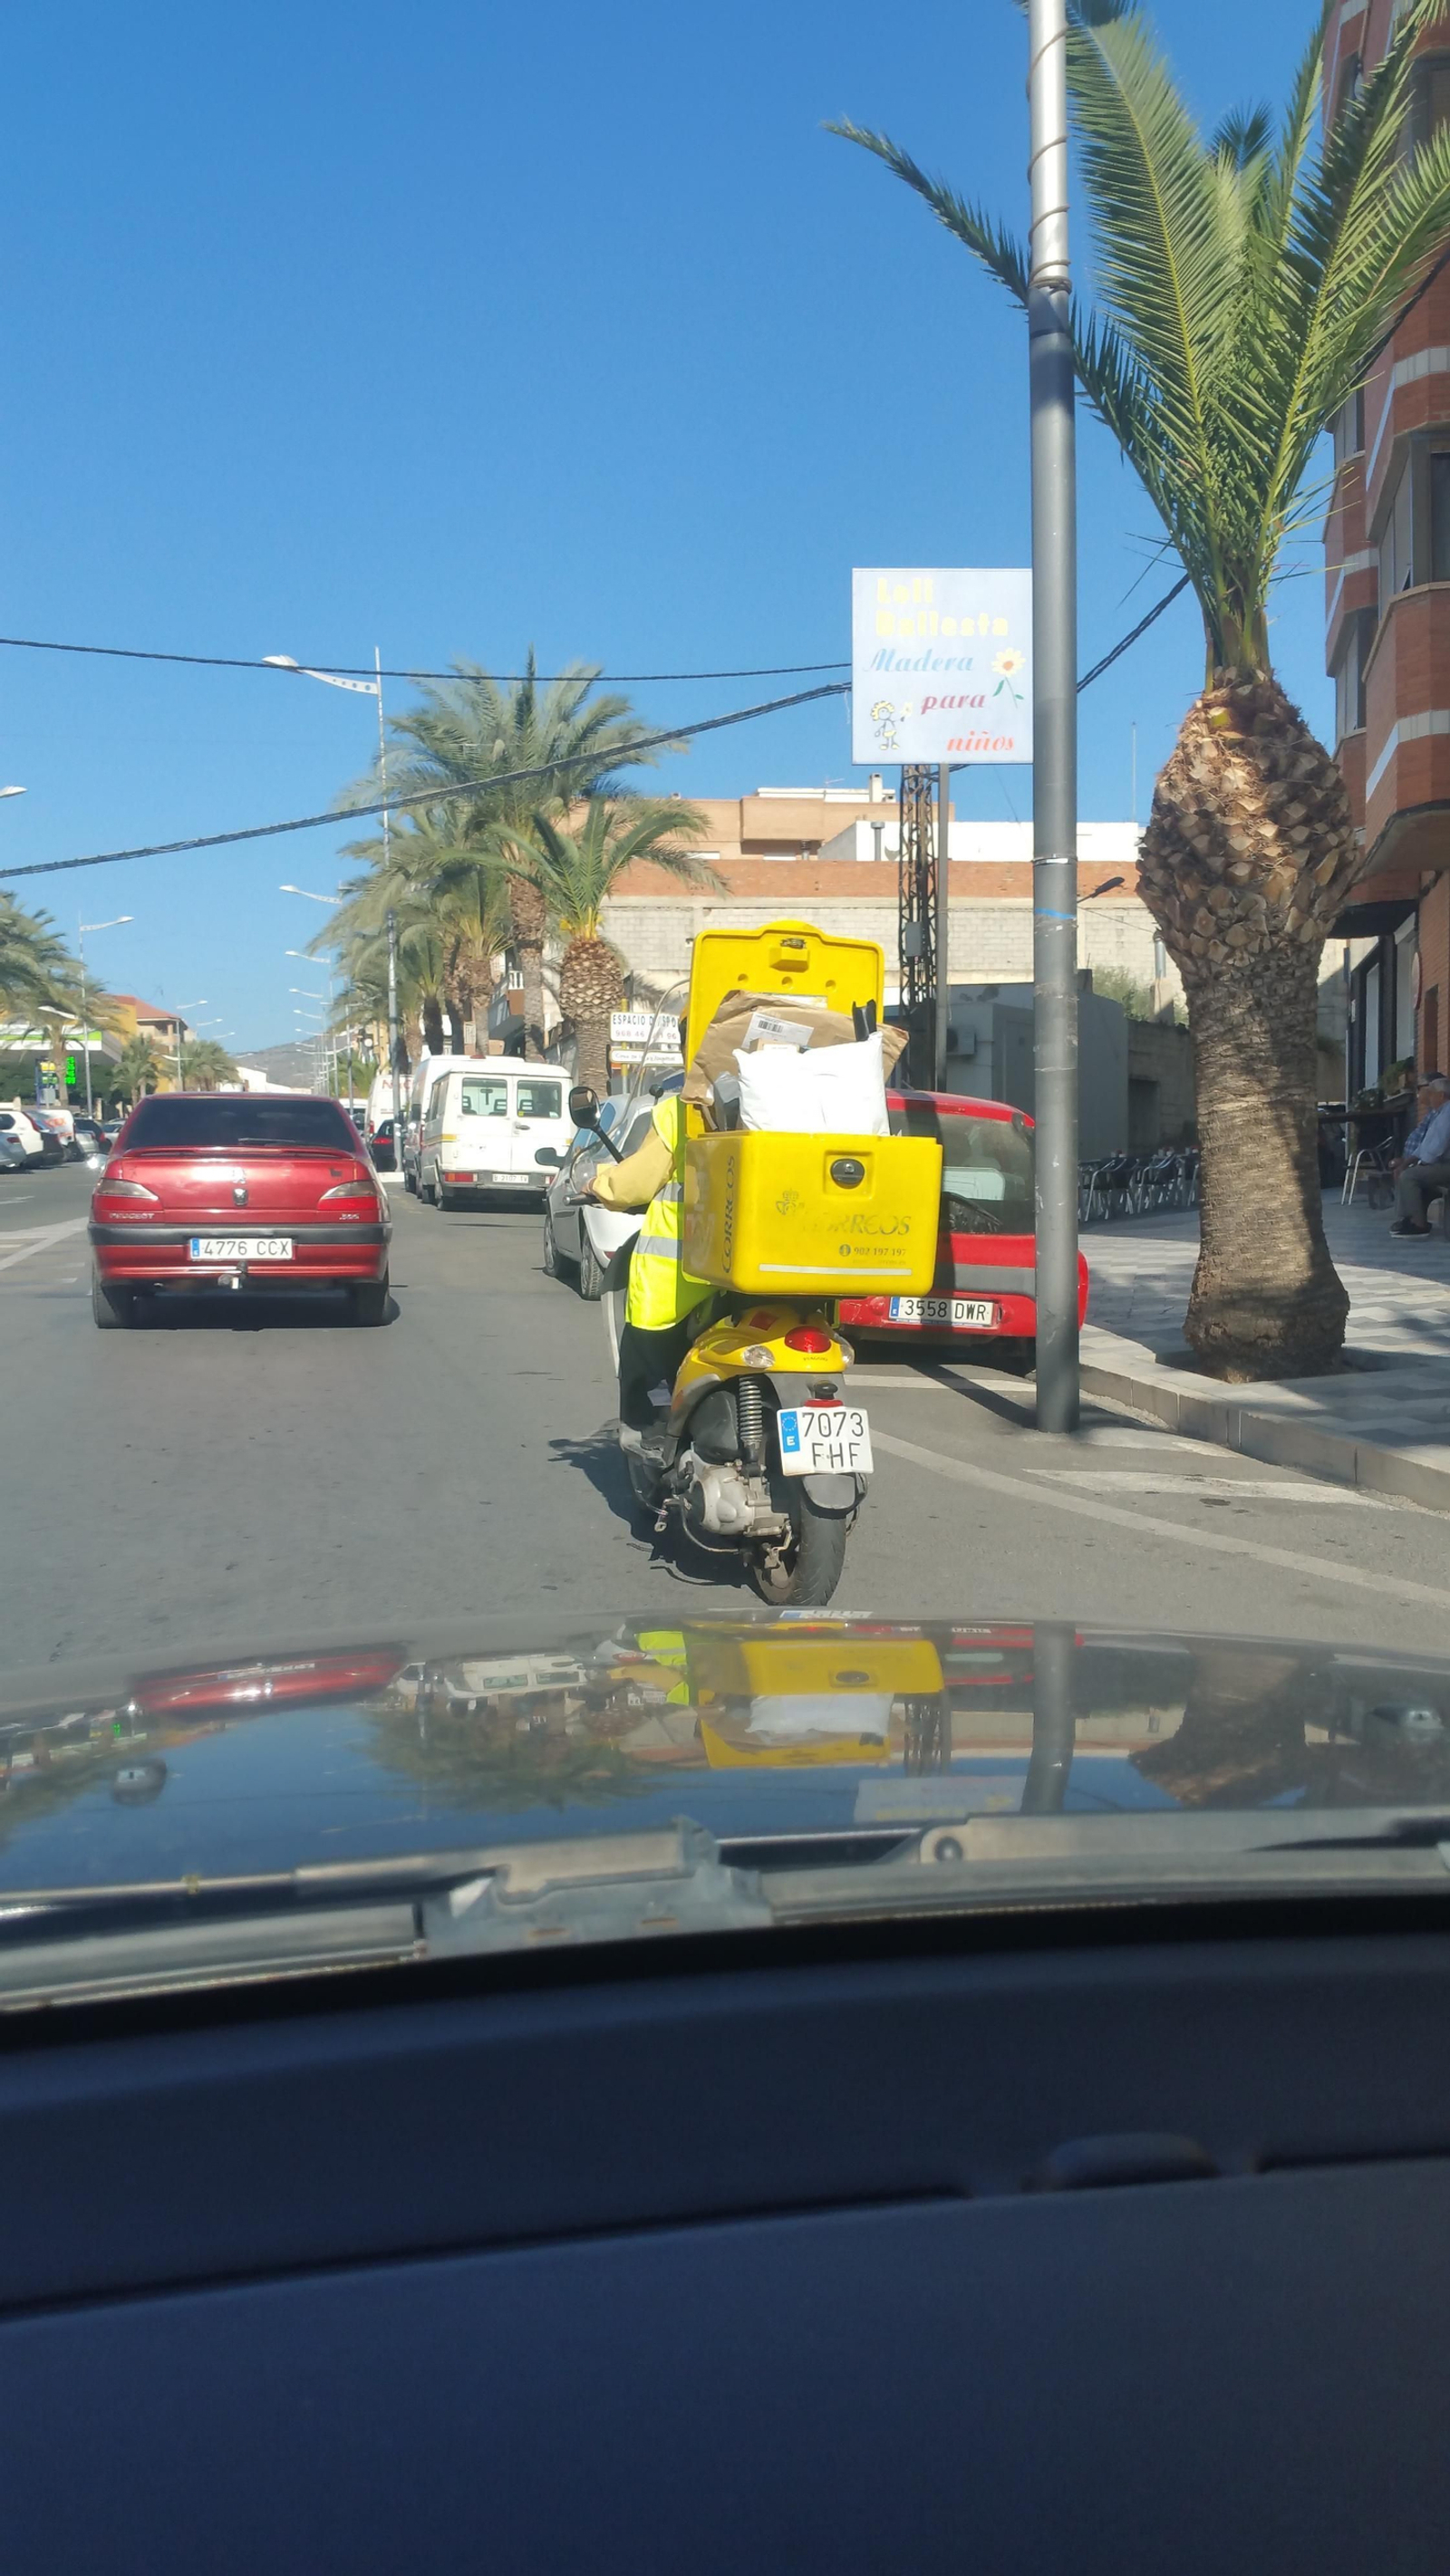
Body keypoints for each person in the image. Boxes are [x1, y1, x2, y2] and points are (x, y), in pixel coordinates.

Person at [587, 1033, 712, 1448]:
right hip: (786, 1279)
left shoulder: (681, 1110)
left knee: (644, 1354)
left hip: (683, 1280)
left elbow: (636, 1183)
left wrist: (600, 1184)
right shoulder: (804, 1113)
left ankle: (653, 1435)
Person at [1389, 1076, 1450, 1236]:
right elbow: (1424, 1146)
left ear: (1441, 1096)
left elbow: (1438, 1147)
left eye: (1432, 1094)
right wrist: (1406, 1162)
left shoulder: (1448, 1114)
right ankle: (1409, 1218)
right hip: (1440, 1163)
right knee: (1404, 1171)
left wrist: (1421, 1164)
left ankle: (1418, 1224)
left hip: (1446, 1165)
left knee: (1409, 1176)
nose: (1429, 1098)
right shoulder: (1439, 1114)